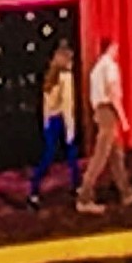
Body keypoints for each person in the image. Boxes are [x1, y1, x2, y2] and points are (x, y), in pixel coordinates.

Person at [78, 41, 129, 213]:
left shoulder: (96, 69)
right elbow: (113, 92)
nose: (117, 51)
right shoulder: (110, 66)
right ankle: (84, 197)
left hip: (100, 110)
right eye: (116, 48)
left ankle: (126, 192)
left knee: (116, 155)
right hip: (108, 111)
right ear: (110, 48)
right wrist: (123, 118)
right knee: (101, 155)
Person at [35, 48, 79, 204]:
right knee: (71, 153)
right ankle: (77, 185)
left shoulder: (50, 77)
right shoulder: (66, 77)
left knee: (48, 155)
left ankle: (34, 189)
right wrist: (70, 128)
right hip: (61, 118)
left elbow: (46, 105)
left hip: (51, 120)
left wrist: (46, 122)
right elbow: (67, 104)